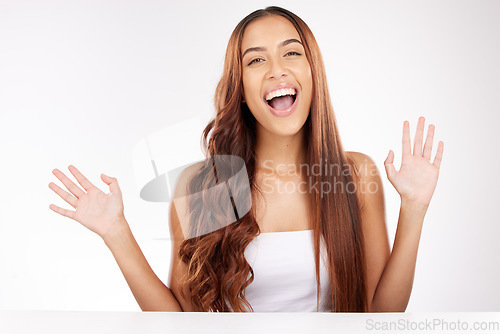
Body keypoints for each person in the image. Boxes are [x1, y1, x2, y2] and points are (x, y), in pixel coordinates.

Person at [48, 6, 444, 312]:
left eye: (291, 53)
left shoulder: (356, 175)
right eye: (256, 60)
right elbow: (180, 321)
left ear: (313, 72)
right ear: (240, 88)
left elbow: (381, 312)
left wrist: (414, 208)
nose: (277, 70)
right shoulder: (203, 186)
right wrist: (116, 232)